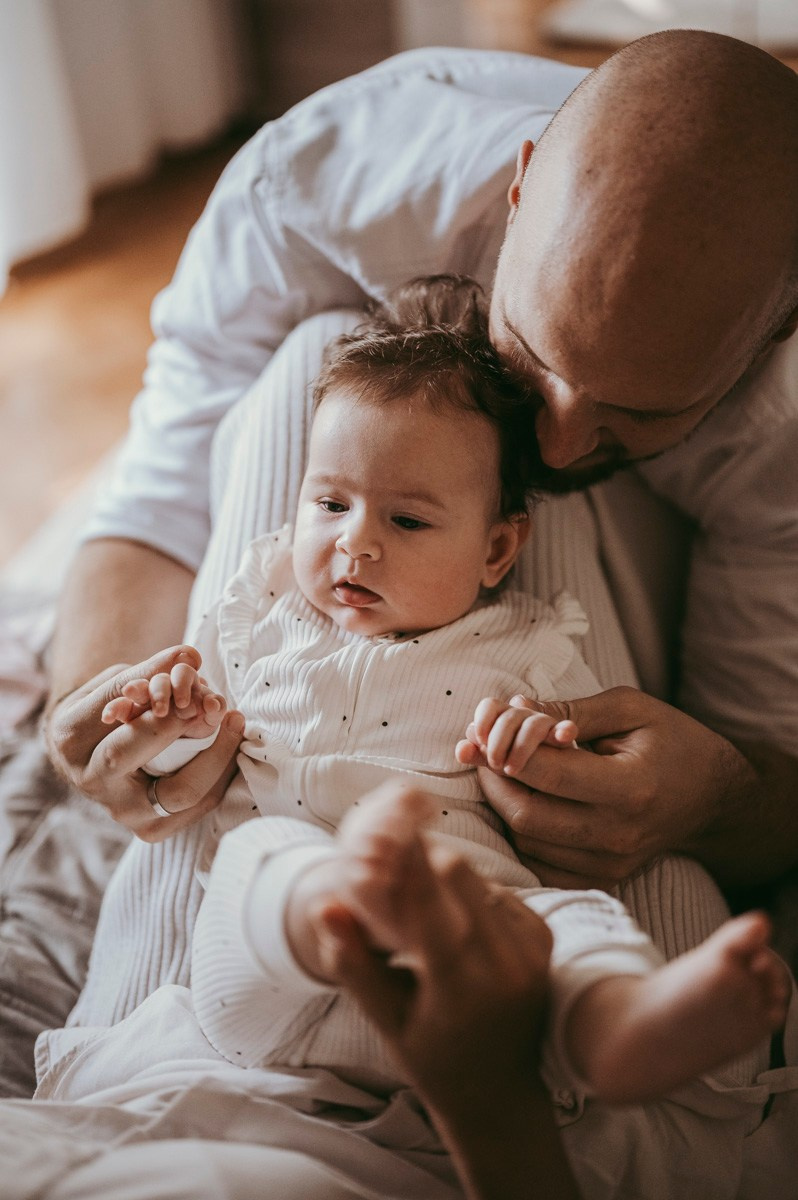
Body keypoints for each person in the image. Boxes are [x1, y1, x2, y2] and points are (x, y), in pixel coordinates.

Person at [99, 277, 786, 1113]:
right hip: (286, 977)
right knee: (260, 858)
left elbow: (593, 777)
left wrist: (535, 744)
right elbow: (181, 749)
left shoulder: (527, 643)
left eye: (408, 522)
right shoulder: (261, 610)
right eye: (330, 502)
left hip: (471, 955)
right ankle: (350, 893)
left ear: (497, 551)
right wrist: (170, 712)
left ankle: (615, 1023)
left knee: (567, 922)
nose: (355, 543)